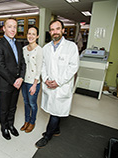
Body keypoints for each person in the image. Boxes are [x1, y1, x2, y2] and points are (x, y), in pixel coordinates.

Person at [35, 19, 79, 148]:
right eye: (52, 29)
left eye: (57, 29)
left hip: (62, 86)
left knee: (55, 112)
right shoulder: (46, 48)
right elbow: (43, 65)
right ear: (50, 32)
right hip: (49, 84)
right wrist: (46, 78)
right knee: (54, 110)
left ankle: (47, 135)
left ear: (63, 30)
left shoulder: (71, 47)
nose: (55, 32)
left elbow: (73, 67)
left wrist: (58, 82)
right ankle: (57, 130)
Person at [0, 18, 26, 140]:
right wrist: (13, 81)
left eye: (14, 27)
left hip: (18, 82)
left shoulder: (18, 44)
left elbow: (23, 63)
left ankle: (11, 125)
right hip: (5, 83)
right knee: (4, 108)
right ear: (4, 28)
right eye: (10, 26)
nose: (12, 29)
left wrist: (21, 77)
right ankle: (4, 127)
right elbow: (0, 67)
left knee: (13, 106)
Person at [20, 26, 43, 133]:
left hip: (33, 82)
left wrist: (34, 84)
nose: (31, 36)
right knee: (25, 102)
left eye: (33, 34)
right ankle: (26, 121)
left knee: (33, 104)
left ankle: (32, 122)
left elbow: (39, 69)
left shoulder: (39, 50)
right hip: (24, 81)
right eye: (29, 33)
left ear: (37, 36)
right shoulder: (24, 49)